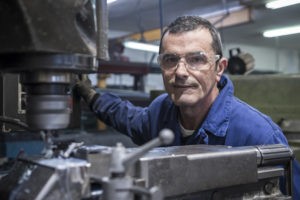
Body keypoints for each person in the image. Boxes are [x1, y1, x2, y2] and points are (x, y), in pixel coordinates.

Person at [75, 15, 299, 199]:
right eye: (170, 60)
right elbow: (128, 118)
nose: (181, 72)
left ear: (219, 67)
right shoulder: (160, 112)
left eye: (196, 59)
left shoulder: (259, 135)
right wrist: (92, 95)